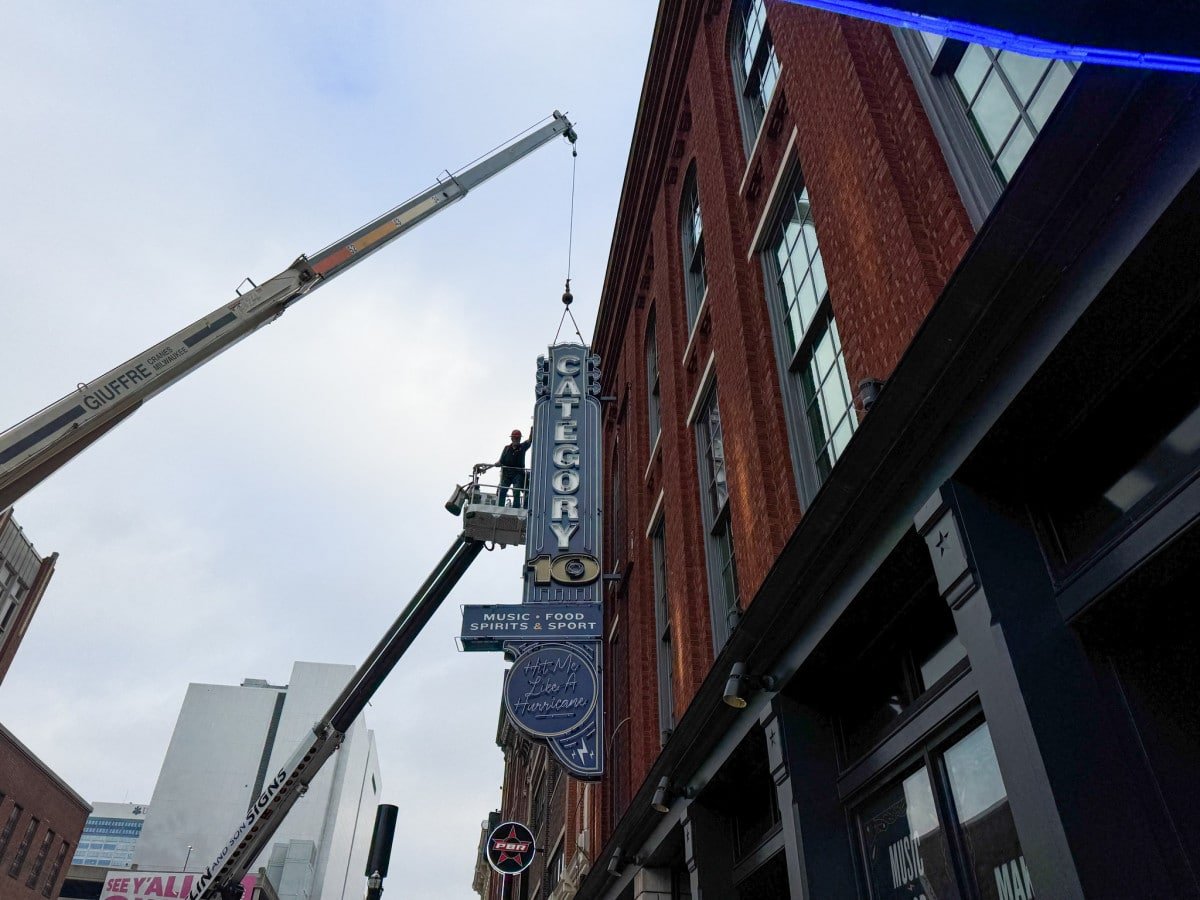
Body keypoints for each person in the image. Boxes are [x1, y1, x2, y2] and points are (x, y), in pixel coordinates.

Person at [495, 428, 532, 508]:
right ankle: (500, 507)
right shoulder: (506, 448)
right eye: (515, 438)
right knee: (502, 490)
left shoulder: (523, 447)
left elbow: (530, 441)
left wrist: (532, 430)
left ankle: (516, 507)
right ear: (512, 438)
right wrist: (497, 463)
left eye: (518, 438)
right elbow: (501, 460)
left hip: (518, 474)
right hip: (507, 474)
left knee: (516, 490)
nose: (516, 439)